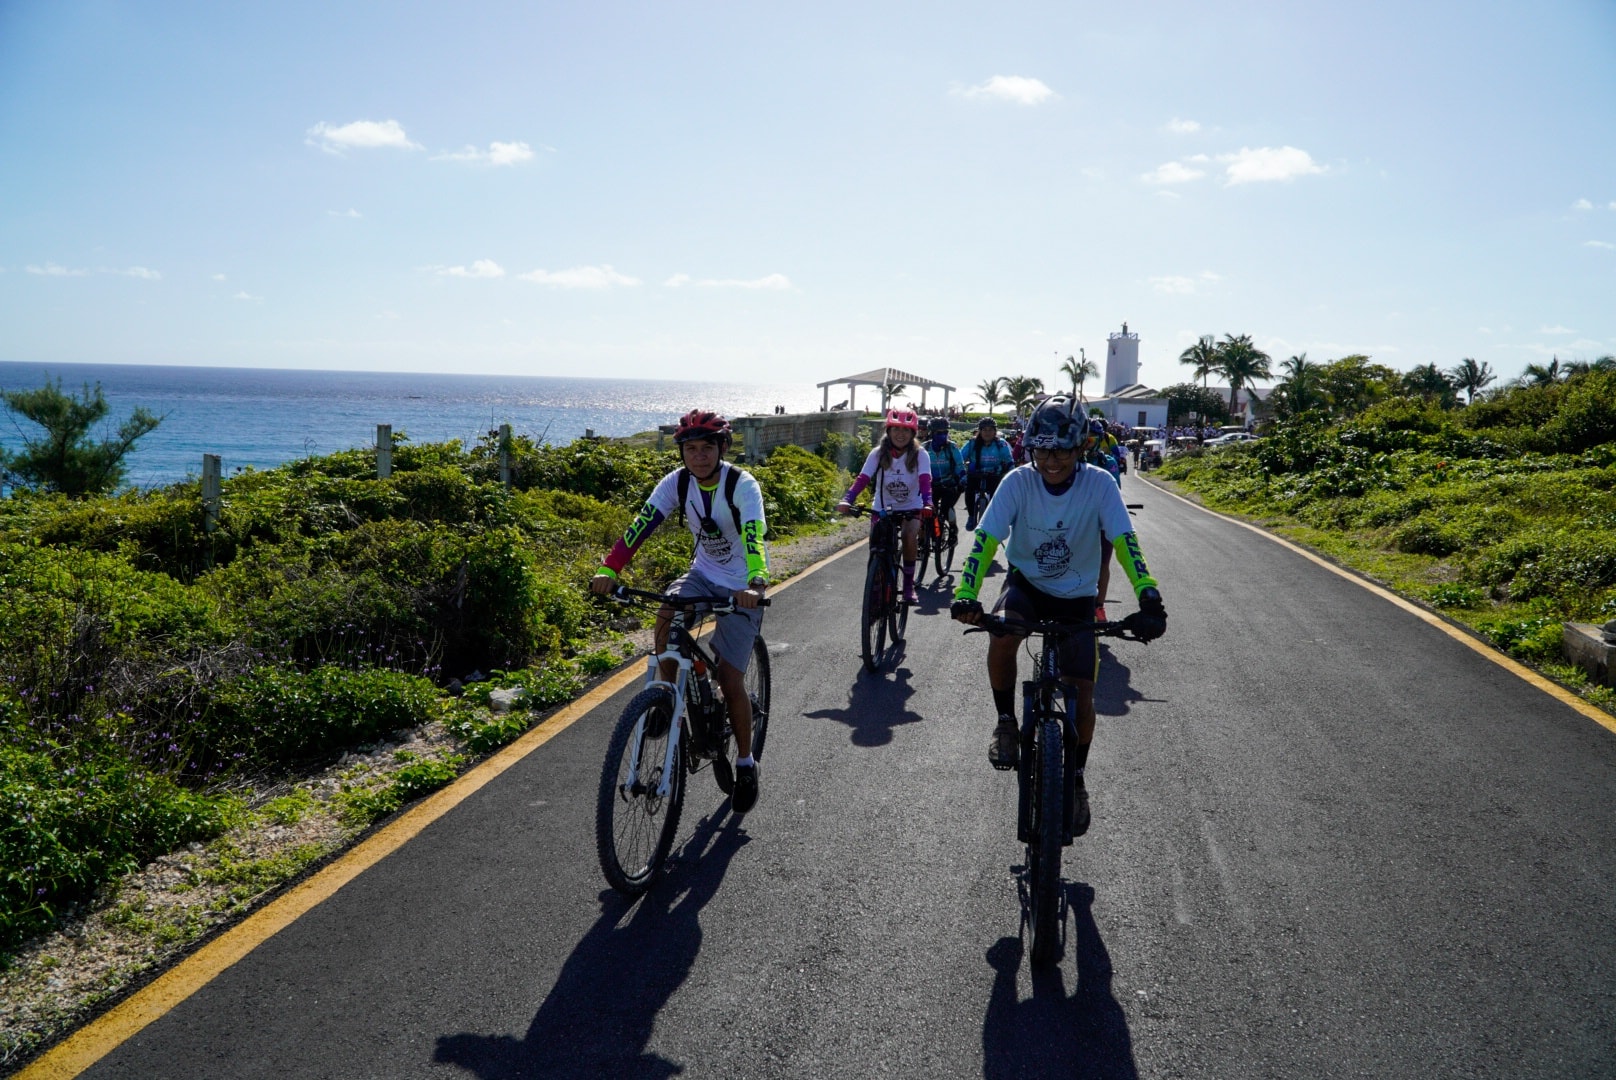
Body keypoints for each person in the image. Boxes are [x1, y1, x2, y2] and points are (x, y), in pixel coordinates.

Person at [950, 395, 1167, 836]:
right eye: (1043, 450)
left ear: (1081, 447)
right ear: (1031, 448)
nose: (1051, 461)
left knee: (1083, 694)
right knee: (1002, 635)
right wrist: (966, 593)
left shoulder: (1102, 483)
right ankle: (1006, 722)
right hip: (1027, 586)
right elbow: (986, 540)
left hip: (1077, 597)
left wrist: (1149, 597)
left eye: (1063, 450)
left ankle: (1078, 778)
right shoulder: (1016, 482)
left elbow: (1125, 541)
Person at [590, 409, 770, 813]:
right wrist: (608, 568)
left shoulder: (742, 485)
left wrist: (755, 582)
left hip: (742, 586)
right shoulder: (677, 483)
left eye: (708, 447)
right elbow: (640, 526)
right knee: (666, 618)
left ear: (722, 448)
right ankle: (668, 700)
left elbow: (755, 534)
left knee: (729, 676)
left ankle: (745, 762)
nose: (699, 456)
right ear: (682, 452)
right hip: (702, 575)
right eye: (691, 448)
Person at [836, 408, 932, 603]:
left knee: (908, 536)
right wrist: (848, 499)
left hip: (911, 507)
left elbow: (925, 481)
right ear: (888, 431)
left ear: (913, 433)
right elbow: (862, 479)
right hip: (882, 507)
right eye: (896, 429)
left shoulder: (920, 454)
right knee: (877, 547)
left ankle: (907, 587)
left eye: (906, 430)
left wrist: (928, 503)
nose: (900, 434)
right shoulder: (878, 453)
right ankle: (877, 586)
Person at [962, 416, 1014, 531]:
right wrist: (961, 473)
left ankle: (993, 518)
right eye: (984, 430)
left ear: (995, 432)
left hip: (994, 475)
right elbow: (960, 458)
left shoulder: (1001, 444)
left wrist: (1012, 474)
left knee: (997, 496)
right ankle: (971, 516)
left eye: (990, 430)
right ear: (979, 431)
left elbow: (1009, 460)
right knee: (969, 491)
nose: (987, 432)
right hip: (975, 475)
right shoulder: (972, 443)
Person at [924, 417, 965, 539]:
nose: (943, 436)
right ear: (931, 433)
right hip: (931, 486)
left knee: (946, 509)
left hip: (950, 484)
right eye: (939, 433)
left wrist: (963, 477)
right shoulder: (924, 448)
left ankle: (953, 527)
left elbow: (960, 465)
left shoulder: (952, 447)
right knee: (929, 511)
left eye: (945, 432)